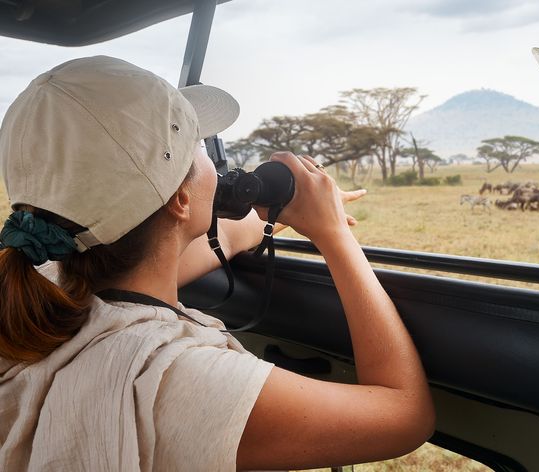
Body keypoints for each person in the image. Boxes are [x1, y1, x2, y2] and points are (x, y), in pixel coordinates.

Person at [0, 56, 435, 471]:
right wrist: (335, 236)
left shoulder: (37, 293)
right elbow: (405, 414)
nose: (215, 162)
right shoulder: (177, 379)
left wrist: (291, 211)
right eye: (199, 146)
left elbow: (223, 236)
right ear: (181, 199)